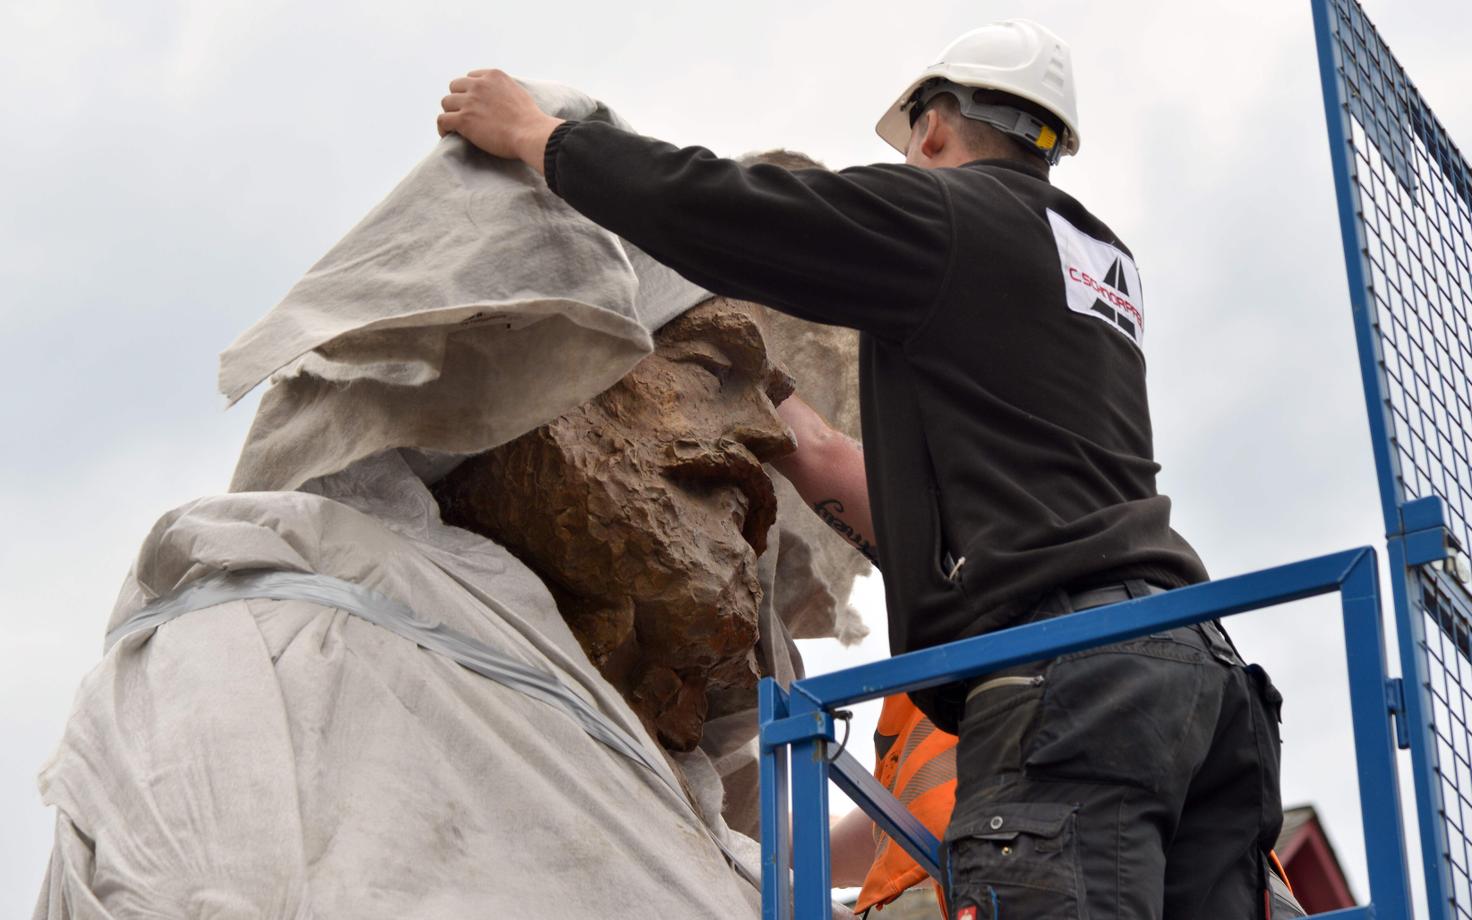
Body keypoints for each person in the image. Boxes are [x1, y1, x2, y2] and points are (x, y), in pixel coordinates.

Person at [436, 19, 1295, 919]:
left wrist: (542, 139)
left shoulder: (951, 216)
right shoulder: (1096, 262)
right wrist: (772, 400)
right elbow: (867, 476)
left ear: (933, 127)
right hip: (1201, 675)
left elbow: (733, 209)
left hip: (1072, 676)